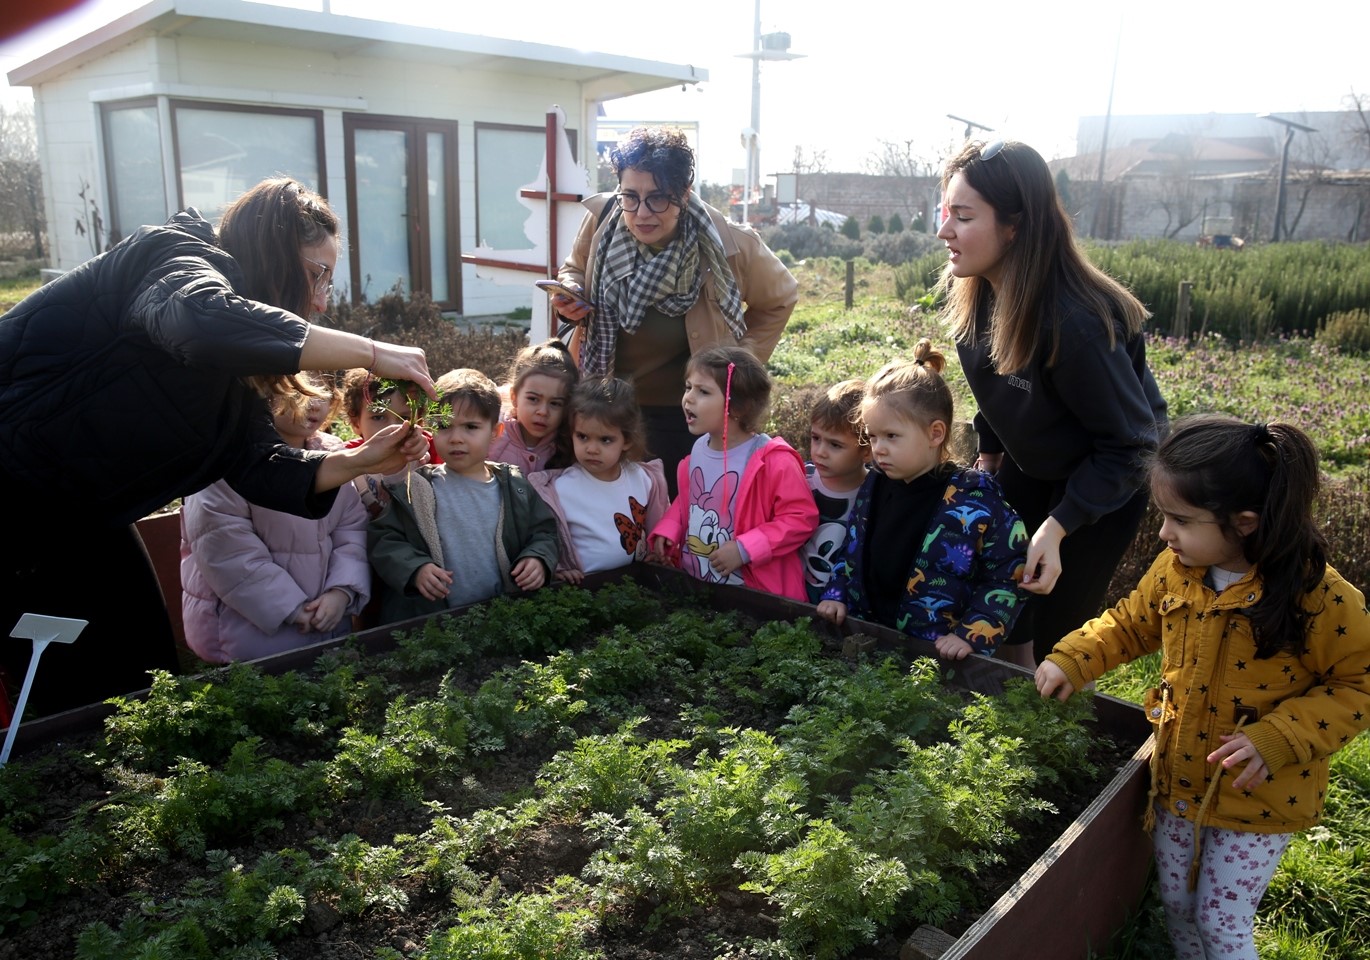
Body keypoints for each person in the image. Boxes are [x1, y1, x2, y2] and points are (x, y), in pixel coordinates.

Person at [0, 177, 431, 714]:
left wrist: (357, 461)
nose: (320, 302)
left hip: (77, 518)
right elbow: (198, 321)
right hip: (15, 508)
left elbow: (259, 467)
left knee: (140, 670)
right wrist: (372, 353)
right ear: (274, 256)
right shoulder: (173, 259)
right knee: (63, 698)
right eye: (318, 275)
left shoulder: (234, 378)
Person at [1035, 415, 1370, 960]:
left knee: (1221, 921)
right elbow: (1130, 623)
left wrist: (1280, 736)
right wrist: (1075, 657)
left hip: (1259, 794)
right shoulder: (1179, 568)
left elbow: (1360, 682)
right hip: (1179, 778)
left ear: (1242, 523)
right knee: (1178, 904)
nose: (1164, 533)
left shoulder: (1318, 597)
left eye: (1179, 520)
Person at [937, 139, 1168, 667]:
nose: (944, 231)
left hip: (1103, 478)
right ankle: (1013, 704)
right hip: (1033, 461)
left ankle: (1054, 724)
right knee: (1005, 591)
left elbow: (1132, 446)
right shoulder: (979, 295)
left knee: (1061, 625)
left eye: (964, 216)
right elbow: (997, 389)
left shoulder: (1076, 325)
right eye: (947, 212)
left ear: (1015, 226)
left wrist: (1060, 525)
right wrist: (991, 453)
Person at [552, 126, 798, 491]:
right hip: (605, 406)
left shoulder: (728, 243)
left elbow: (780, 297)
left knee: (675, 514)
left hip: (683, 417)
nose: (641, 212)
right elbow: (574, 267)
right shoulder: (602, 218)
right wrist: (570, 291)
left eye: (658, 198)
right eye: (630, 196)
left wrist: (739, 362)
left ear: (684, 194)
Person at [815, 341, 1028, 659]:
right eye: (873, 437)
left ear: (935, 433)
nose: (879, 448)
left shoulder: (975, 500)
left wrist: (970, 634)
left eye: (891, 436)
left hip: (937, 655)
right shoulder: (873, 485)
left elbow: (1008, 571)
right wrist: (837, 594)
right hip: (870, 638)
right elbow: (852, 552)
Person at [180, 376, 370, 663]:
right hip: (247, 632)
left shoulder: (335, 456)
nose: (314, 403)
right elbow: (228, 551)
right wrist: (291, 608)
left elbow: (351, 530)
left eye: (323, 392)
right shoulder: (225, 464)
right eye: (298, 391)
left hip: (328, 619)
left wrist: (342, 591)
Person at [368, 369, 561, 624]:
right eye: (444, 426)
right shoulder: (417, 488)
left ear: (496, 431)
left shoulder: (515, 487)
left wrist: (537, 559)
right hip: (434, 624)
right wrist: (415, 568)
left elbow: (544, 532)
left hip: (500, 619)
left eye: (471, 427)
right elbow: (385, 539)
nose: (456, 438)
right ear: (429, 427)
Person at [648, 346, 817, 601]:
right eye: (688, 387)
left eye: (703, 391)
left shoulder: (773, 460)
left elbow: (800, 518)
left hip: (757, 599)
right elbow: (690, 502)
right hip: (701, 588)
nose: (688, 399)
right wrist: (670, 528)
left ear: (739, 407)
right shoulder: (698, 450)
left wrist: (745, 549)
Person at [528, 378, 669, 583]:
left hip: (635, 587)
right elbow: (545, 538)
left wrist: (658, 551)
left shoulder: (644, 478)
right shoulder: (559, 489)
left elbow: (659, 525)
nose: (592, 449)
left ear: (627, 440)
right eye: (583, 437)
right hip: (587, 592)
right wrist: (558, 567)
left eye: (605, 440)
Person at [801, 378, 870, 604]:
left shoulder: (874, 494)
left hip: (844, 606)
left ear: (867, 451)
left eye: (835, 445)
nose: (820, 452)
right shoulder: (801, 479)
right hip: (792, 596)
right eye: (816, 438)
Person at [339, 371, 443, 520]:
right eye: (378, 417)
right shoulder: (346, 457)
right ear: (356, 423)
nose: (393, 427)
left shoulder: (433, 451)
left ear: (419, 421)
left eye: (404, 418)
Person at [488, 338, 579, 474]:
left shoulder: (570, 447)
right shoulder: (492, 439)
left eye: (555, 403)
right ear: (514, 397)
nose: (543, 412)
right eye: (533, 399)